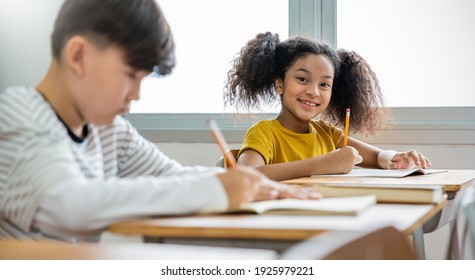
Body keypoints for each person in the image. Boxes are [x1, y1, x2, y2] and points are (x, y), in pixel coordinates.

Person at [0, 1, 319, 242]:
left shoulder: (108, 130)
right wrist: (218, 189)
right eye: (130, 76)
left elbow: (174, 176)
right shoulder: (18, 114)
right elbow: (68, 206)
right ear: (79, 55)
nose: (136, 95)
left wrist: (252, 185)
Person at [224, 32, 431, 181]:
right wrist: (323, 164)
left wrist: (397, 158)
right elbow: (245, 176)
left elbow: (377, 157)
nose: (314, 91)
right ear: (280, 83)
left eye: (324, 84)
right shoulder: (264, 133)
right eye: (302, 79)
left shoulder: (327, 134)